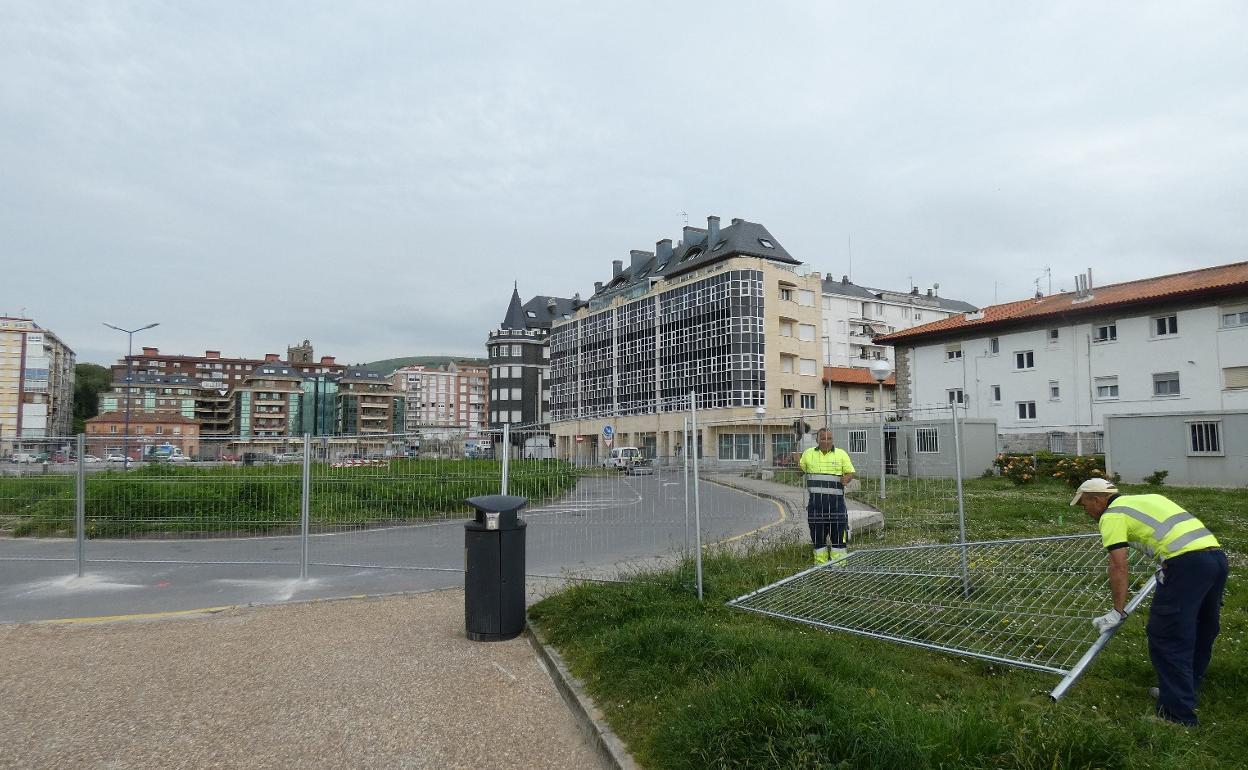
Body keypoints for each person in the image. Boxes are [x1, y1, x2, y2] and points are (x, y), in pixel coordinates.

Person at [1071, 477, 1228, 726]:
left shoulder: (1111, 516)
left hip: (1185, 565)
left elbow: (1118, 565)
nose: (1085, 511)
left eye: (1084, 505)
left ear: (1097, 499)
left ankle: (1176, 715)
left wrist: (1117, 611)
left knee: (1167, 635)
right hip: (1216, 559)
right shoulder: (1148, 498)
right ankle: (1181, 692)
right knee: (1201, 628)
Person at [799, 428, 856, 564]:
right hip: (815, 507)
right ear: (817, 439)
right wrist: (795, 462)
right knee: (818, 539)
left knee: (839, 539)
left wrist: (846, 478)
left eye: (829, 439)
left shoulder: (841, 454)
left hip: (837, 507)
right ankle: (821, 567)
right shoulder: (808, 454)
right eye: (823, 438)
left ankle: (840, 567)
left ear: (832, 440)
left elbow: (850, 473)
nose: (826, 441)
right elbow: (799, 472)